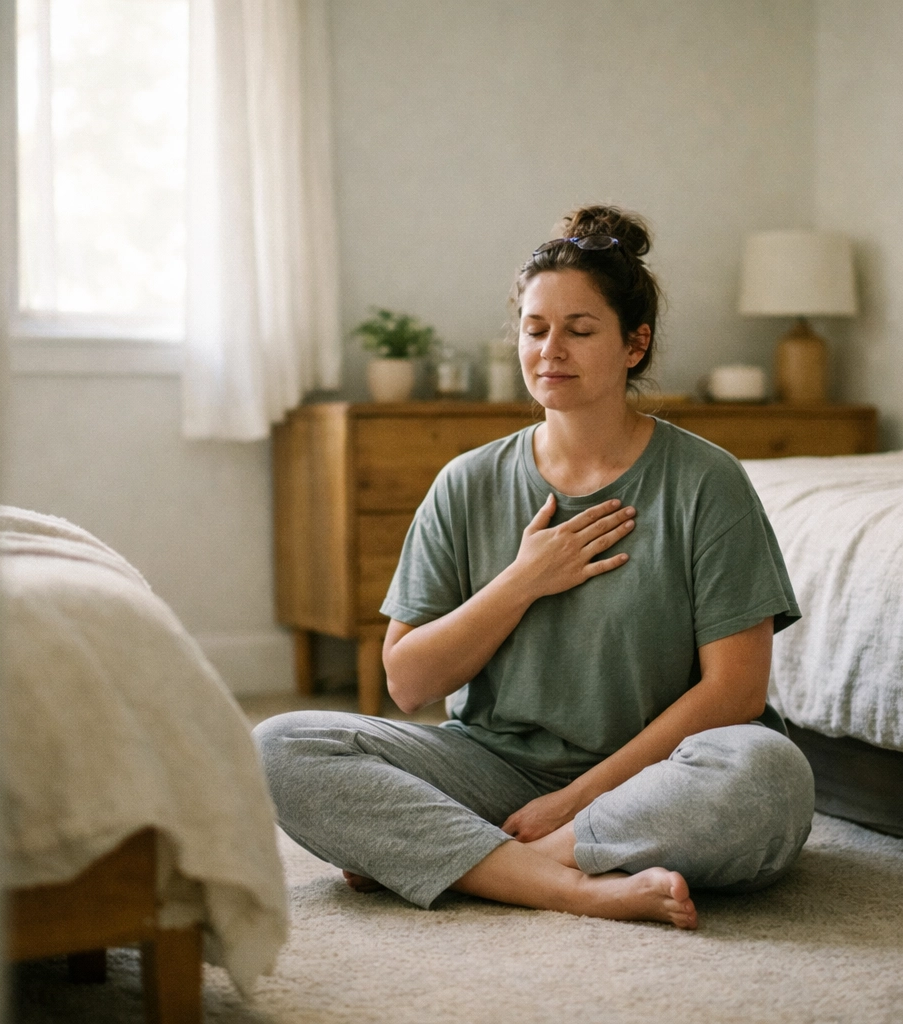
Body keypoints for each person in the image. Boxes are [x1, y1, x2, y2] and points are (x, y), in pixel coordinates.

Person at [254, 205, 813, 929]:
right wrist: (523, 581)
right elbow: (408, 680)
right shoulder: (468, 481)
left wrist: (576, 802)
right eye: (534, 327)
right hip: (490, 771)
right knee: (280, 747)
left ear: (634, 344)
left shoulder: (707, 482)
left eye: (580, 331)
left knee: (770, 777)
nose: (551, 350)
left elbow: (735, 691)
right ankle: (569, 882)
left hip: (655, 775)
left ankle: (475, 860)